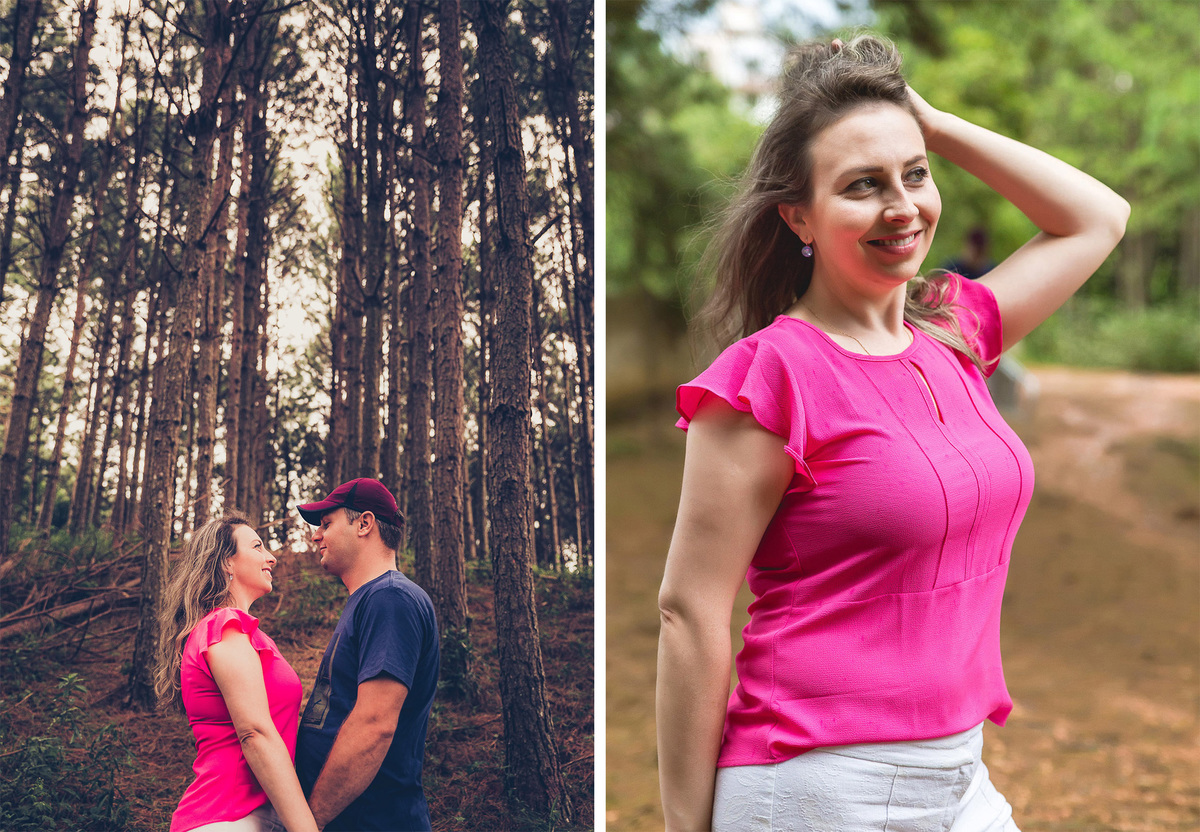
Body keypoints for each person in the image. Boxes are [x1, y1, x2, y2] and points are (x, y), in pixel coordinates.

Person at [656, 34, 1128, 831]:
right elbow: (689, 611)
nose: (902, 206)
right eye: (862, 185)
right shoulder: (768, 376)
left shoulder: (954, 332)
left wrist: (933, 125)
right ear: (799, 216)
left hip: (960, 775)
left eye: (915, 174)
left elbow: (1098, 219)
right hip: (814, 785)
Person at [155, 513, 318, 832]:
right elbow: (255, 733)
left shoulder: (246, 634)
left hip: (256, 814)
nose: (271, 557)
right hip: (228, 817)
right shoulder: (223, 625)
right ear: (227, 562)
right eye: (257, 546)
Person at [294, 478, 440, 831]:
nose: (316, 536)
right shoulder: (372, 599)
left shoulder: (390, 599)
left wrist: (311, 821)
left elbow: (375, 724)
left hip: (373, 821)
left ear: (364, 524)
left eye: (326, 524)